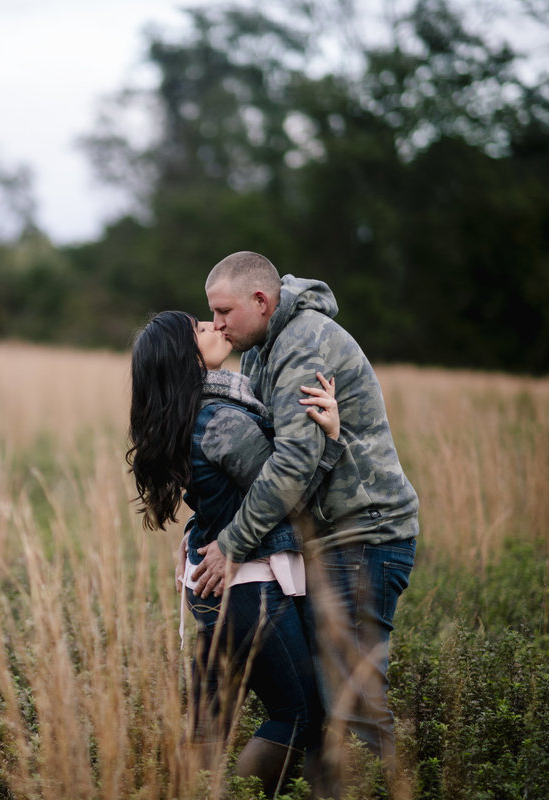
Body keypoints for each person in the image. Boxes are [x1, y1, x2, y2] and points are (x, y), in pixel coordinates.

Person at [192, 251, 420, 794]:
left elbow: (291, 467)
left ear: (261, 301)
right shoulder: (260, 347)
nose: (217, 324)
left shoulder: (302, 344)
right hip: (324, 538)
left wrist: (232, 544)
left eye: (223, 312)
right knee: (322, 703)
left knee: (354, 703)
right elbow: (267, 453)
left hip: (362, 536)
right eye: (211, 314)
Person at [127, 310, 345, 797]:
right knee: (300, 716)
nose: (214, 327)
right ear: (185, 357)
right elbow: (291, 496)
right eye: (199, 329)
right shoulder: (222, 418)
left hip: (215, 589)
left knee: (210, 719)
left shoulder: (192, 416)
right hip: (246, 588)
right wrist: (329, 440)